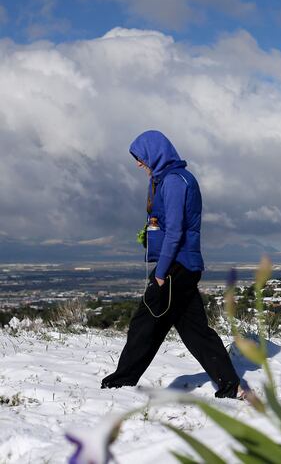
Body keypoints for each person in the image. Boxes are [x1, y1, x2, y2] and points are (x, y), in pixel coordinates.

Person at [101, 130, 241, 399]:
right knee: (194, 330)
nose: (138, 163)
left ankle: (121, 381)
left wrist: (162, 272)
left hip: (177, 265)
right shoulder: (168, 178)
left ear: (155, 154)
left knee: (145, 321)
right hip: (184, 265)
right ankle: (230, 383)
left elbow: (176, 231)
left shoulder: (175, 182)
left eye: (140, 157)